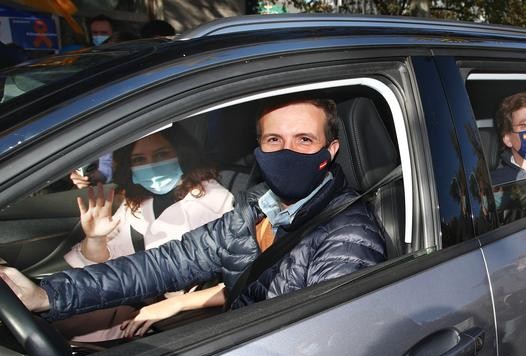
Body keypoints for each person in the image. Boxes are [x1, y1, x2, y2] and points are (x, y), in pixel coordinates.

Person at [0, 97, 387, 338]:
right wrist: (47, 294)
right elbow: (162, 265)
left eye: (304, 140)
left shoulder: (348, 236)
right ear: (259, 148)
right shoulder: (252, 211)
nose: (286, 150)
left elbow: (329, 342)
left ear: (331, 150)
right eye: (274, 140)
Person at [54, 124, 234, 340]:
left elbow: (240, 281)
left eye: (161, 154)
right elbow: (108, 262)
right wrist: (96, 239)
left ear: (182, 154)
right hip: (131, 298)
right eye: (139, 160)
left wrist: (176, 303)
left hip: (184, 319)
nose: (151, 166)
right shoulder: (136, 199)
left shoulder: (217, 203)